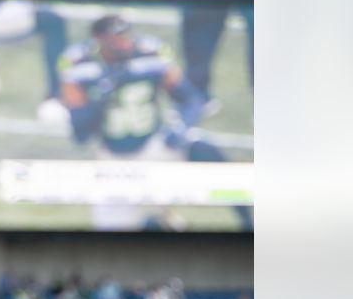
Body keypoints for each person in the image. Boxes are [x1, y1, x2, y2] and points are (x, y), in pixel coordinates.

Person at [58, 14, 250, 230]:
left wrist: (180, 128)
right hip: (113, 159)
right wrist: (102, 96)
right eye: (114, 40)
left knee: (204, 149)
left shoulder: (149, 54)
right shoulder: (79, 65)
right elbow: (81, 134)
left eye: (124, 36)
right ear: (98, 40)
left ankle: (250, 225)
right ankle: (157, 224)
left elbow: (191, 100)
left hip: (155, 146)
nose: (123, 44)